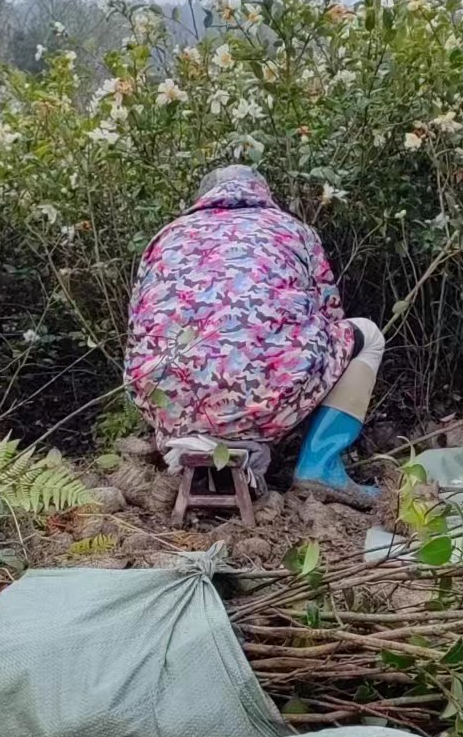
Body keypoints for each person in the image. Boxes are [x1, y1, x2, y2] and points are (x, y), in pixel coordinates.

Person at [124, 163, 385, 507]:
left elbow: (139, 325)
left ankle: (193, 435)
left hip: (170, 402)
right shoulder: (293, 230)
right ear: (263, 194)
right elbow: (328, 313)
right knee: (367, 335)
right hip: (266, 396)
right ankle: (319, 467)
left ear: (202, 197)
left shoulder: (167, 236)